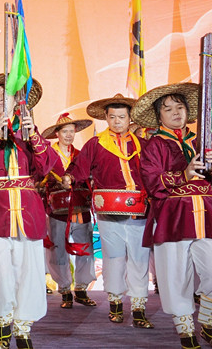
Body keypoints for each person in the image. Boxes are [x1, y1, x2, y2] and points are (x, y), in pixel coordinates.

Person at [0, 74, 57, 349]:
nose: (0, 100)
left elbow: (46, 167)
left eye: (6, 95)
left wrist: (35, 137)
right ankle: (3, 323)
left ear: (17, 100)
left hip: (27, 210)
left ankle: (24, 327)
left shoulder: (27, 128)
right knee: (0, 270)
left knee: (28, 269)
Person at [62, 93, 153, 329]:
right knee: (113, 258)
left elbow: (153, 173)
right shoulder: (96, 144)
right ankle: (115, 305)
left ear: (130, 117)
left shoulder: (142, 144)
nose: (117, 121)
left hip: (138, 210)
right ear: (106, 117)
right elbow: (79, 168)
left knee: (139, 258)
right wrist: (69, 176)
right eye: (112, 117)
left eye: (122, 117)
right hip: (108, 211)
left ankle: (139, 307)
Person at [134, 83, 212, 348]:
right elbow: (151, 181)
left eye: (180, 107)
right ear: (159, 116)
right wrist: (183, 175)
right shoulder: (154, 145)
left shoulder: (202, 140)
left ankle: (208, 317)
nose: (176, 112)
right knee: (176, 275)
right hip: (173, 217)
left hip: (207, 215)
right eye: (168, 109)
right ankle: (186, 330)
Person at [40, 113, 97, 309]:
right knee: (57, 250)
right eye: (65, 131)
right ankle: (64, 289)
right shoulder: (48, 156)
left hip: (79, 207)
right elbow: (40, 179)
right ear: (57, 133)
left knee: (85, 247)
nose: (69, 135)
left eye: (72, 131)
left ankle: (81, 289)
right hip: (57, 210)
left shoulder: (81, 155)